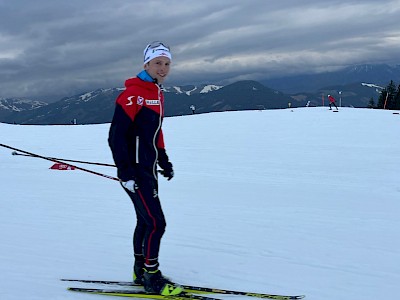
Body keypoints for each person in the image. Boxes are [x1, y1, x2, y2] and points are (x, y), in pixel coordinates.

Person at [108, 41, 182, 296]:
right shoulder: (132, 94)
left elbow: (155, 133)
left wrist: (163, 159)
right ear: (146, 64)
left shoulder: (156, 92)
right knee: (156, 223)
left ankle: (140, 270)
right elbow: (116, 136)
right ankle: (152, 276)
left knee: (145, 220)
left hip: (148, 169)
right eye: (157, 63)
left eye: (167, 63)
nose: (163, 68)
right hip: (135, 171)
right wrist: (125, 172)